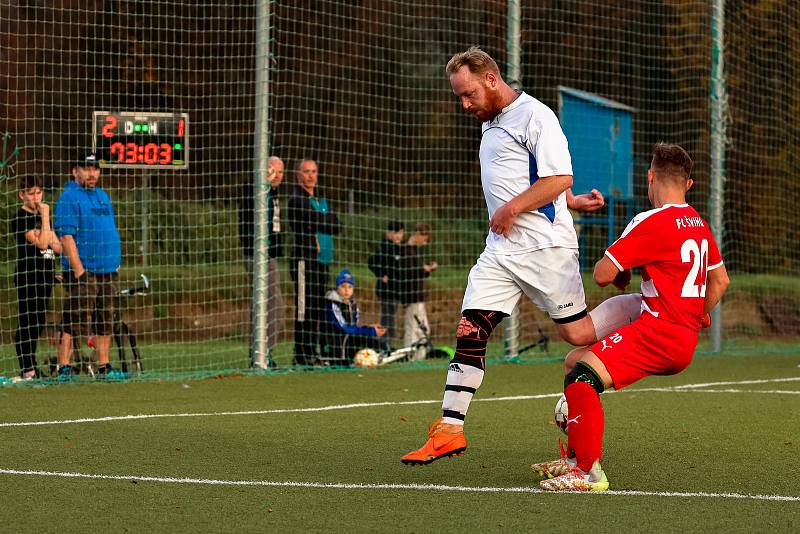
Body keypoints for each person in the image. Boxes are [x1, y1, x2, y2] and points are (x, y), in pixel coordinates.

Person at [402, 46, 641, 465]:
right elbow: (539, 175)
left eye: (469, 93)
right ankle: (450, 430)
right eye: (459, 96)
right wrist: (573, 200)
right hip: (501, 250)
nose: (464, 104)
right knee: (470, 330)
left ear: (491, 80)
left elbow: (558, 174)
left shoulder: (536, 115)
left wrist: (518, 206)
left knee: (580, 336)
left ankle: (647, 307)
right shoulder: (490, 120)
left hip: (546, 248)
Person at [531, 143, 730, 491]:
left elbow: (603, 275)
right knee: (574, 362)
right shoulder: (698, 223)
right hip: (680, 336)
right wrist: (697, 313)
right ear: (689, 185)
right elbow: (720, 280)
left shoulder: (650, 220)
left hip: (659, 332)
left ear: (650, 177)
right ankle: (576, 459)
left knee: (582, 377)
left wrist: (618, 266)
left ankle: (588, 473)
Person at [54, 151, 126, 381]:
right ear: (76, 171)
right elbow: (66, 237)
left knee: (106, 319)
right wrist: (79, 271)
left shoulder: (103, 196)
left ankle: (104, 366)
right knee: (74, 318)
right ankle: (63, 366)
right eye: (86, 168)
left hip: (108, 271)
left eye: (95, 168)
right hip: (85, 271)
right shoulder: (69, 197)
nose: (92, 173)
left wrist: (115, 262)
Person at [287, 159, 341, 366]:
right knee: (304, 308)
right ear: (298, 175)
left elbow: (336, 225)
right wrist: (322, 221)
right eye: (306, 172)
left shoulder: (320, 199)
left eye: (314, 171)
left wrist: (321, 221)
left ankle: (313, 351)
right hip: (304, 261)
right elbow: (320, 221)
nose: (311, 175)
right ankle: (302, 354)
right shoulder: (296, 199)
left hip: (322, 261)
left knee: (318, 307)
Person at [12, 176, 62, 380]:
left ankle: (31, 366)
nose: (36, 197)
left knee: (39, 322)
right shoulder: (20, 219)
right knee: (28, 321)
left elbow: (57, 247)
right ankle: (27, 368)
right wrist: (45, 218)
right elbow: (42, 244)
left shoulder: (44, 220)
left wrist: (46, 228)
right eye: (31, 193)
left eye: (39, 192)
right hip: (28, 276)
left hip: (45, 277)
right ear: (22, 195)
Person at [239, 156, 285, 366]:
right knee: (269, 303)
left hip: (270, 255)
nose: (276, 176)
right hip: (258, 255)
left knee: (272, 304)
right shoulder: (253, 190)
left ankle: (262, 353)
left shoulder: (274, 194)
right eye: (272, 171)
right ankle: (261, 354)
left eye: (280, 172)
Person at [321, 269, 387, 365]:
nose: (347, 290)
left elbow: (354, 328)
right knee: (365, 334)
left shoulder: (353, 304)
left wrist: (370, 328)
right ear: (337, 287)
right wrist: (370, 331)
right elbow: (344, 329)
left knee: (373, 339)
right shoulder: (332, 304)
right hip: (334, 344)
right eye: (343, 286)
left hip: (347, 340)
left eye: (350, 287)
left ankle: (384, 353)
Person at [400, 223, 437, 360]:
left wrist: (426, 270)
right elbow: (408, 272)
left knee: (423, 328)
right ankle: (410, 357)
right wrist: (424, 269)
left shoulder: (414, 251)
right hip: (412, 296)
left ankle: (419, 357)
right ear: (418, 234)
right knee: (412, 327)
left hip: (419, 296)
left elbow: (417, 272)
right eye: (425, 239)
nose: (425, 243)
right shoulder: (405, 250)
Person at [367, 220, 405, 345]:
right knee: (387, 317)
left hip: (396, 290)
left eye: (400, 233)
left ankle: (388, 343)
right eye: (395, 233)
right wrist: (381, 274)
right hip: (385, 290)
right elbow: (371, 262)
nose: (398, 235)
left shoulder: (401, 248)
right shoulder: (384, 247)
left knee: (391, 317)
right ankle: (383, 343)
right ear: (388, 233)